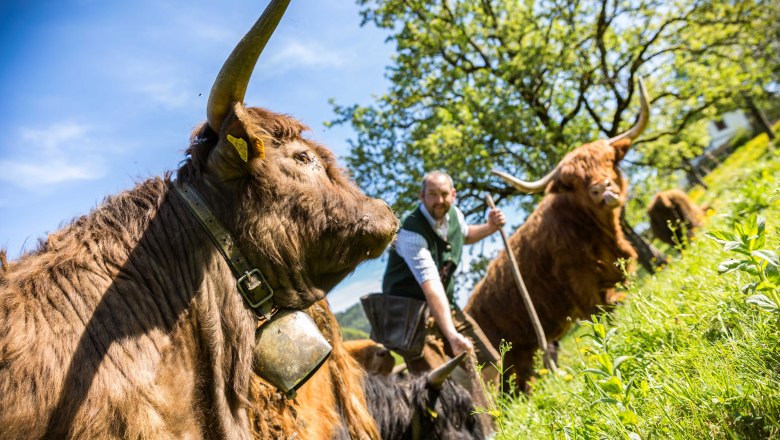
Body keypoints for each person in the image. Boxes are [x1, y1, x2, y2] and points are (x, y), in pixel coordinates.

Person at [382, 170, 505, 377]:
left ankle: (487, 411)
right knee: (437, 381)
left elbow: (464, 234)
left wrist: (490, 227)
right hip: (412, 318)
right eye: (432, 194)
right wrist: (451, 334)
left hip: (445, 305)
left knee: (489, 365)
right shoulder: (411, 233)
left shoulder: (455, 215)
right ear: (421, 196)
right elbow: (431, 285)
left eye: (444, 194)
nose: (439, 200)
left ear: (453, 194)